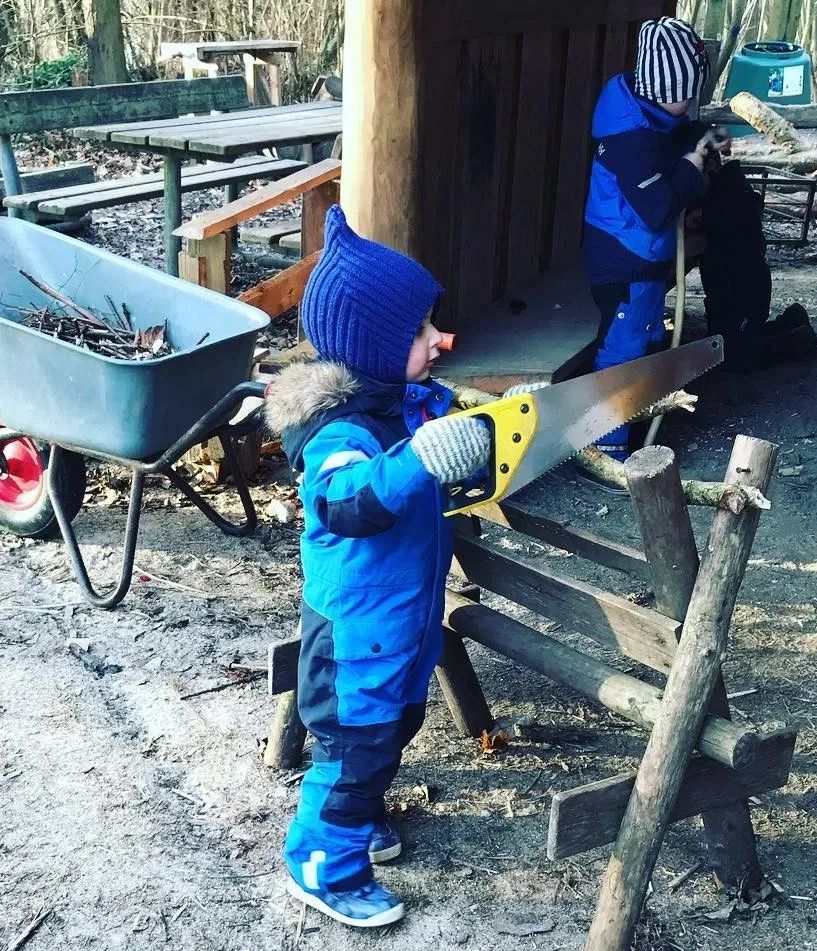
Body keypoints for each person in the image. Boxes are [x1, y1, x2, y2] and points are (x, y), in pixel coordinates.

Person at [264, 205, 491, 928]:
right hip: (356, 635)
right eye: (421, 333)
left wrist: (485, 438)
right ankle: (321, 864)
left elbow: (430, 466)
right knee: (352, 753)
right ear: (373, 348)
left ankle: (357, 816)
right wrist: (422, 457)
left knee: (391, 731)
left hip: (400, 625)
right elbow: (349, 502)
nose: (440, 339)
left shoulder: (398, 404)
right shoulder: (339, 433)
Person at [583, 15, 718, 460]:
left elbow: (679, 136)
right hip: (623, 260)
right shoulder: (630, 138)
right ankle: (606, 447)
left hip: (642, 257)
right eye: (688, 93)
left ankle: (637, 423)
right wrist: (692, 169)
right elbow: (657, 207)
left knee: (643, 340)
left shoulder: (650, 114)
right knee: (622, 351)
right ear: (667, 89)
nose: (692, 100)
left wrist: (704, 143)